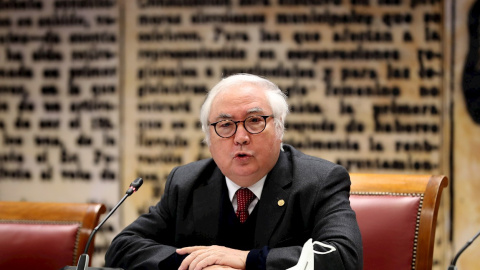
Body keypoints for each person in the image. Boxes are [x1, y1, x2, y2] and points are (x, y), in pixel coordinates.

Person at [105, 73, 363, 270]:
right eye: (225, 125)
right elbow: (122, 246)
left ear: (279, 129)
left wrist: (245, 260)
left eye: (254, 121)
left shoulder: (319, 181)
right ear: (209, 138)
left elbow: (342, 256)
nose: (240, 137)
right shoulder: (186, 183)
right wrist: (200, 264)